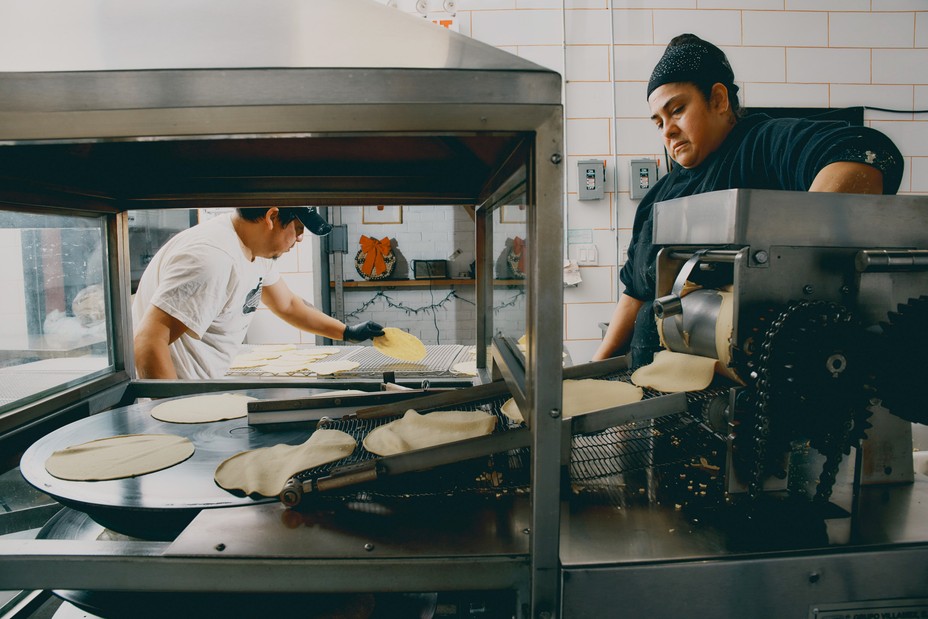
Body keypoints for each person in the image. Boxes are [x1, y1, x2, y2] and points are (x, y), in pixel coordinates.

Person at [592, 33, 903, 367]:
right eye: (659, 122)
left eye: (678, 110)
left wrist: (793, 261)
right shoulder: (659, 196)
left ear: (719, 100)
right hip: (655, 387)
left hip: (747, 391)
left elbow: (863, 151)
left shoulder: (760, 146)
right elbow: (635, 294)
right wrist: (591, 371)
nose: (667, 130)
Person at [132, 207, 385, 379]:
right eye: (297, 228)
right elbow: (148, 342)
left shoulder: (255, 250)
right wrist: (172, 417)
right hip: (182, 399)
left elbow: (287, 305)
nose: (299, 239)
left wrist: (347, 332)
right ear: (272, 217)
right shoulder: (212, 258)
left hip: (205, 389)